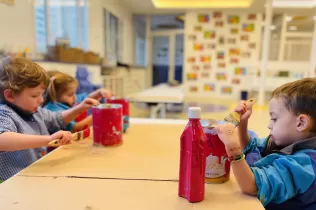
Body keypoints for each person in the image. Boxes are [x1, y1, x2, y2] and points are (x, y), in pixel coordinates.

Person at [215, 78, 316, 210]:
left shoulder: (304, 166)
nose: (269, 125)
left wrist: (233, 150)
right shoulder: (287, 142)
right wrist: (243, 124)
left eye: (274, 119)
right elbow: (253, 148)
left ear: (301, 123)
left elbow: (253, 186)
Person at [0, 56, 99, 182]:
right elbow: (2, 139)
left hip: (33, 176)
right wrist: (49, 139)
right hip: (11, 184)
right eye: (35, 95)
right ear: (10, 95)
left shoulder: (36, 111)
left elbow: (57, 119)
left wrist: (79, 108)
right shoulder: (4, 113)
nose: (41, 100)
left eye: (41, 94)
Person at [44, 71, 111, 132]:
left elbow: (86, 99)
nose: (74, 97)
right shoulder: (53, 110)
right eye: (70, 94)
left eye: (74, 93)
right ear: (53, 95)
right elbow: (76, 129)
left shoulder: (70, 100)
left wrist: (99, 93)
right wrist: (97, 115)